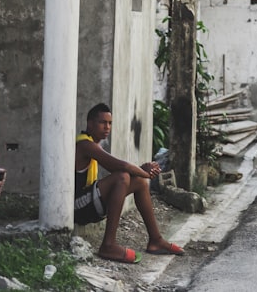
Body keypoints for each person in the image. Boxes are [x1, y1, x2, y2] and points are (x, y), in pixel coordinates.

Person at [75, 103, 185, 263]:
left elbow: (123, 168)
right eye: (102, 123)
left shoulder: (93, 143)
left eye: (110, 123)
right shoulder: (85, 145)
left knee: (139, 181)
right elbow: (120, 166)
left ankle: (155, 239)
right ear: (90, 123)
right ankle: (108, 245)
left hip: (89, 202)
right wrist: (145, 172)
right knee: (123, 177)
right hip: (77, 206)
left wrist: (141, 173)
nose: (107, 127)